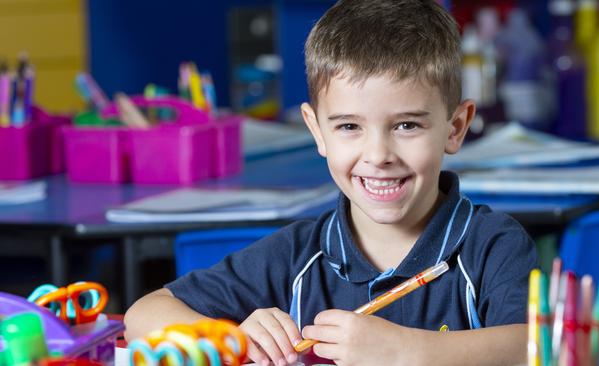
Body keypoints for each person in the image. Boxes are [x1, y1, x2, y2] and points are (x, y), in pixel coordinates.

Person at [124, 1, 537, 365]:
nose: (378, 155)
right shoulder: (296, 256)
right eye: (349, 127)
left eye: (407, 125)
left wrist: (406, 353)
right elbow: (144, 316)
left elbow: (536, 348)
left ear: (455, 127)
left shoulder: (493, 245)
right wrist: (232, 338)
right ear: (317, 130)